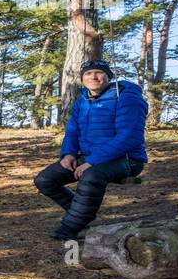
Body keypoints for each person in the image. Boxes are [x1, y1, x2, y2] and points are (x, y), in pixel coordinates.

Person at [33, 59, 147, 239]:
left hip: (127, 160)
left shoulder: (126, 97)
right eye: (88, 73)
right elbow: (72, 130)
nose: (93, 76)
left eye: (99, 72)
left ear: (108, 77)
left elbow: (129, 137)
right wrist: (69, 153)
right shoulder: (83, 100)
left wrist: (92, 162)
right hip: (90, 157)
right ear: (82, 79)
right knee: (45, 180)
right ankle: (81, 214)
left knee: (91, 175)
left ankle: (70, 228)